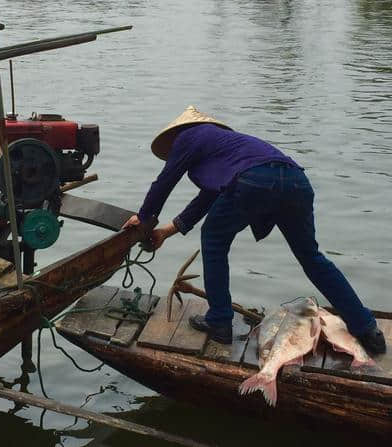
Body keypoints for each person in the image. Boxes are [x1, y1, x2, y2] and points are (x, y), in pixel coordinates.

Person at [123, 105, 386, 354]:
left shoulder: (188, 136)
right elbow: (207, 199)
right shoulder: (229, 148)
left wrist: (144, 218)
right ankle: (367, 328)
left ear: (177, 134)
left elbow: (164, 181)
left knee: (213, 240)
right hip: (296, 181)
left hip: (255, 181)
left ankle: (219, 321)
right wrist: (165, 232)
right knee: (312, 257)